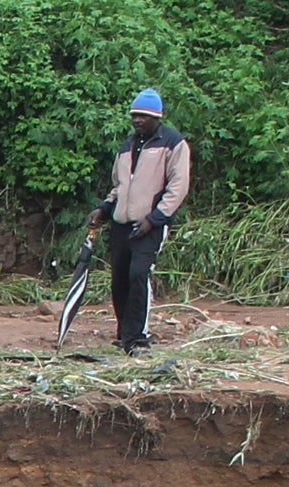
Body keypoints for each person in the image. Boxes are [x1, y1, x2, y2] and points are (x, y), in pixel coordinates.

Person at [95, 88, 190, 353]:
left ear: (157, 118)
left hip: (150, 225)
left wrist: (156, 218)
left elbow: (178, 186)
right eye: (134, 116)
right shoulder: (127, 146)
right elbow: (119, 185)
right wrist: (104, 208)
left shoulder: (173, 143)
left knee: (139, 275)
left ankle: (139, 337)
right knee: (119, 279)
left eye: (144, 117)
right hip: (121, 224)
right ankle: (125, 334)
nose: (138, 120)